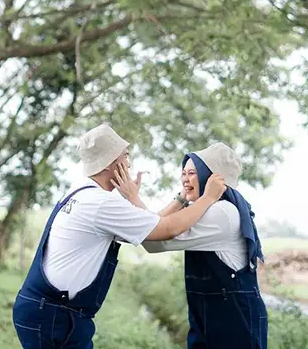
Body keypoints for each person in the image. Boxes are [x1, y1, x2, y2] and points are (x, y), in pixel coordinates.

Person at [12, 124, 227, 349]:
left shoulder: (82, 193)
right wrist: (208, 198)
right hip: (55, 316)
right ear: (110, 163)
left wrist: (180, 198)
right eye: (125, 155)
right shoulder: (101, 204)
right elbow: (165, 230)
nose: (129, 162)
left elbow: (149, 224)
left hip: (42, 309)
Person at [114, 142, 268, 349]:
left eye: (193, 173)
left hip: (234, 320)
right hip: (209, 317)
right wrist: (182, 198)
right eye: (183, 173)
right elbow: (156, 227)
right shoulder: (205, 208)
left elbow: (155, 241)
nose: (185, 179)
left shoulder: (222, 212)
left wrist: (133, 197)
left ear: (212, 176)